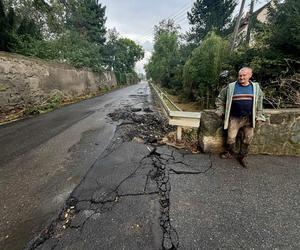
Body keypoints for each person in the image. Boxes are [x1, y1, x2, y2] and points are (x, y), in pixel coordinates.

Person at [215, 67, 266, 168]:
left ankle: (243, 156)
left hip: (249, 118)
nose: (241, 77)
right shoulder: (231, 87)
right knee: (231, 138)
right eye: (240, 75)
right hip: (234, 117)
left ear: (250, 76)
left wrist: (260, 115)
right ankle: (229, 152)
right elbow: (220, 99)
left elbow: (259, 102)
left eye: (244, 75)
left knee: (248, 138)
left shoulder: (255, 88)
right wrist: (220, 110)